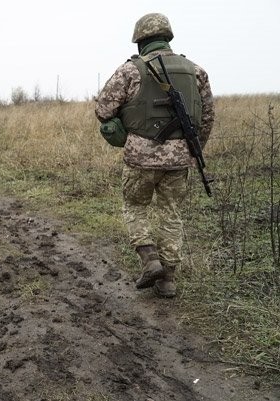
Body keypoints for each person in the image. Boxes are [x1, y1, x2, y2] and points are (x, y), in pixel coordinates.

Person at [95, 13, 214, 298]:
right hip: (179, 160)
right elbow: (207, 117)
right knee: (170, 214)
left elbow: (102, 109)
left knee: (135, 207)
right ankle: (168, 280)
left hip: (139, 158)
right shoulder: (196, 71)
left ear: (140, 41)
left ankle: (150, 260)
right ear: (167, 37)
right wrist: (191, 149)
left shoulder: (131, 71)